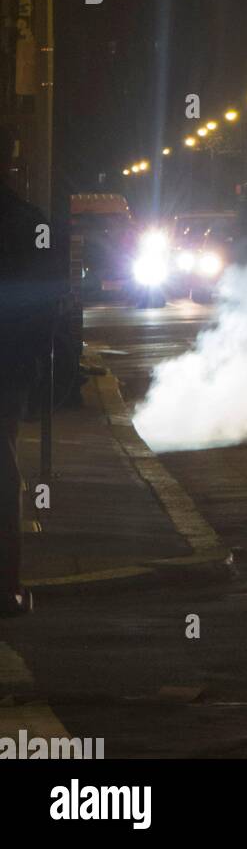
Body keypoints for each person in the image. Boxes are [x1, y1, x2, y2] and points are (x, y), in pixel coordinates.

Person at [0, 127, 57, 616]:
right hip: (8, 367)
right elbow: (45, 304)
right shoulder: (26, 222)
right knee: (4, 476)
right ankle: (8, 587)